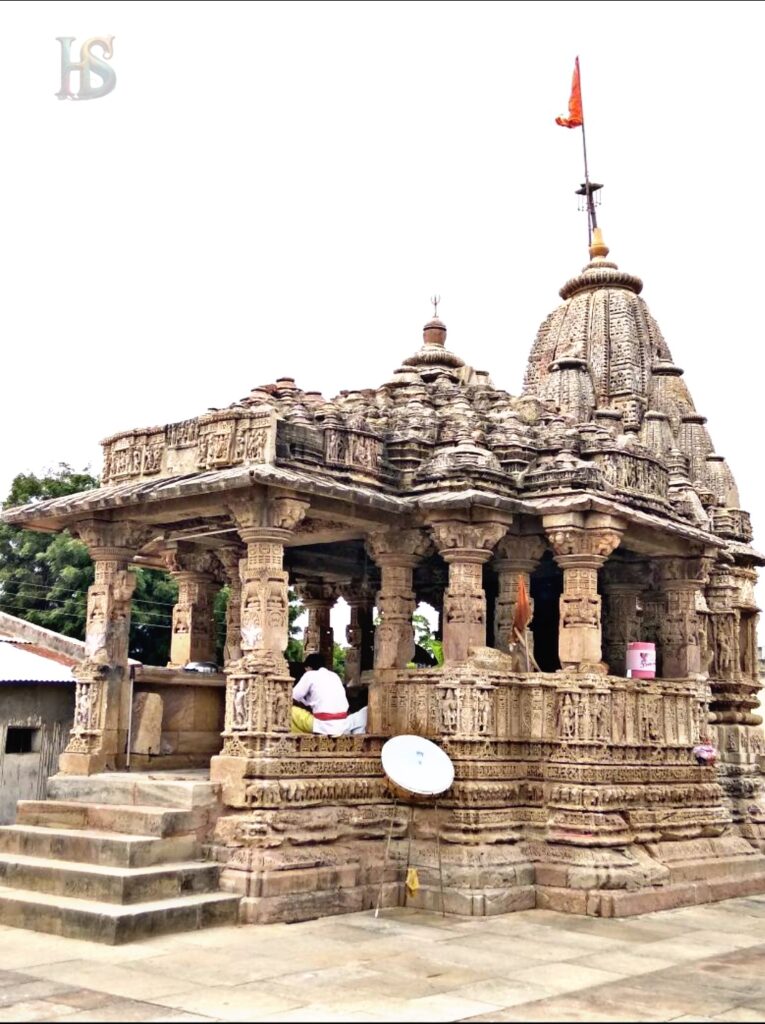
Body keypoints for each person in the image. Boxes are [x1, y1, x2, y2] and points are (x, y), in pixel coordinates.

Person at [291, 652, 349, 736]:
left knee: (288, 711)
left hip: (323, 725)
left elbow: (292, 697)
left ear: (308, 667)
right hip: (342, 725)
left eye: (305, 669)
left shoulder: (309, 674)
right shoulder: (334, 675)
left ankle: (298, 743)